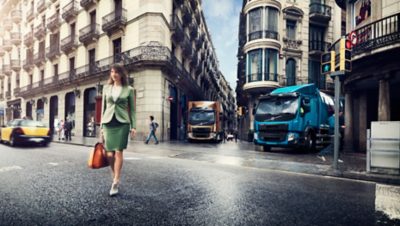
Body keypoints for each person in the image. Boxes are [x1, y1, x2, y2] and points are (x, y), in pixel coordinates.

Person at [101, 63, 136, 196]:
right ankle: (115, 173)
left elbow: (132, 110)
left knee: (118, 152)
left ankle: (115, 181)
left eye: (116, 72)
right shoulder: (106, 88)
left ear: (121, 74)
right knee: (109, 154)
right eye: (112, 72)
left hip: (122, 123)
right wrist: (101, 127)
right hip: (108, 122)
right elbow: (104, 108)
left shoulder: (129, 89)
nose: (114, 74)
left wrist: (134, 126)